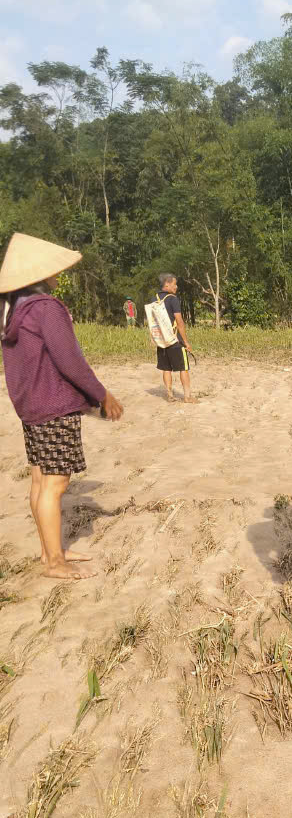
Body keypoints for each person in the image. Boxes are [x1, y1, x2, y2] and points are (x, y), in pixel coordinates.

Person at [0, 232, 124, 580]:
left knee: (40, 480)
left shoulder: (13, 311)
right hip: (53, 406)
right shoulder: (45, 309)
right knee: (56, 485)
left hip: (30, 406)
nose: (57, 275)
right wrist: (102, 395)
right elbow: (69, 360)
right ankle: (55, 562)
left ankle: (49, 551)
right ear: (40, 275)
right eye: (53, 271)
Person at [154, 273, 195, 403]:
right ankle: (187, 397)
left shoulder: (154, 299)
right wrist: (185, 342)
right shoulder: (173, 299)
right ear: (167, 284)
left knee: (166, 368)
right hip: (175, 340)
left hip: (161, 340)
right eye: (174, 284)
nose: (176, 287)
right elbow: (179, 321)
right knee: (183, 368)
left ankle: (170, 395)